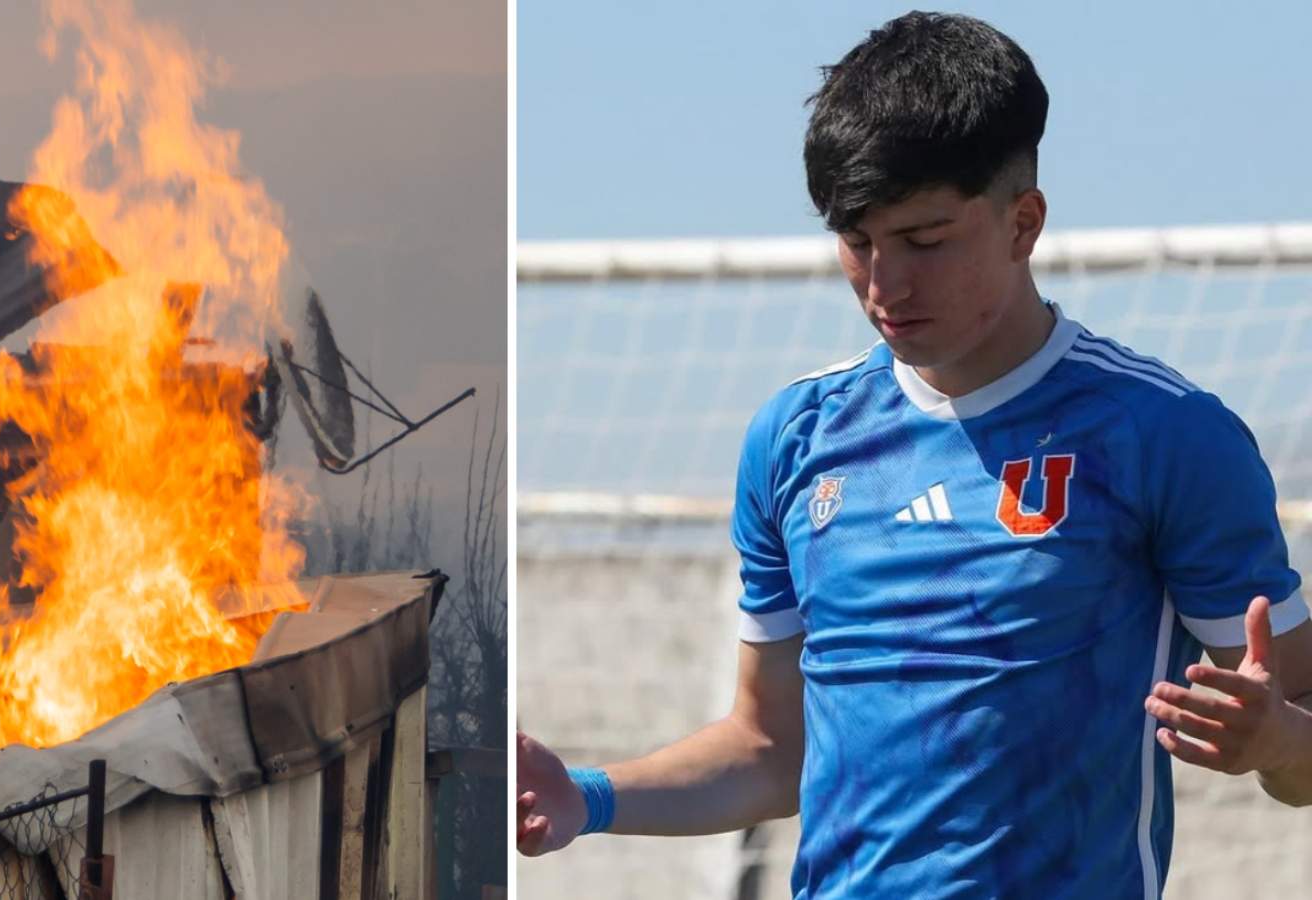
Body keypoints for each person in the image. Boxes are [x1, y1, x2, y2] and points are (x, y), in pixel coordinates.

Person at [515, 11, 1312, 898]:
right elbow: (772, 749)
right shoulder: (794, 440)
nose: (886, 285)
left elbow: (1301, 728)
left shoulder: (1165, 434)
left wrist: (1279, 745)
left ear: (1024, 223)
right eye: (859, 244)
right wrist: (586, 796)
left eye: (926, 242)